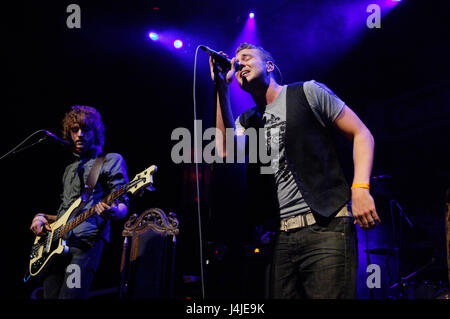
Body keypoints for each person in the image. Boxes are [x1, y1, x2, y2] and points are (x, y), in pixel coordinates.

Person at [210, 43, 381, 298]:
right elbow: (225, 152)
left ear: (269, 67)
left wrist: (360, 187)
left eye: (246, 57)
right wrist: (221, 90)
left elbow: (362, 134)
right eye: (236, 61)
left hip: (327, 227)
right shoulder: (247, 121)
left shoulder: (308, 92)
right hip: (281, 238)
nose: (239, 63)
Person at [29, 105, 129, 299]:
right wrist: (41, 216)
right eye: (75, 130)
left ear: (96, 132)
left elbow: (122, 202)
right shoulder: (69, 169)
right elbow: (65, 213)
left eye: (86, 129)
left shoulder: (110, 160)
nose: (80, 134)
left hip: (85, 245)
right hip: (56, 247)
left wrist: (114, 212)